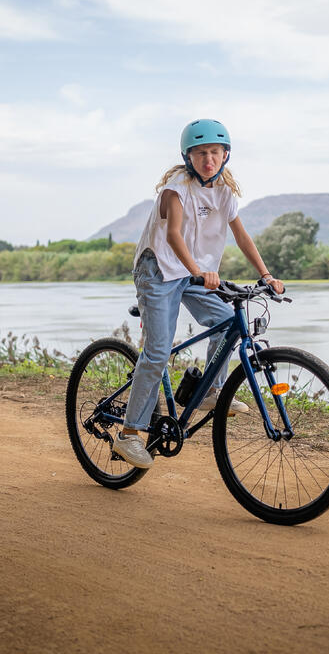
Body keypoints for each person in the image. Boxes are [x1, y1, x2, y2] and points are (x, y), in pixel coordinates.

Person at [113, 119, 284, 469]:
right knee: (159, 350)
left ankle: (209, 392)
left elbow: (242, 236)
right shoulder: (176, 188)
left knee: (226, 323)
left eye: (215, 153)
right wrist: (197, 271)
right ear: (188, 156)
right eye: (202, 153)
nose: (209, 159)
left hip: (191, 271)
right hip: (159, 269)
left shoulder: (223, 192)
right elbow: (173, 235)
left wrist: (265, 274)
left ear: (226, 156)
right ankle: (128, 434)